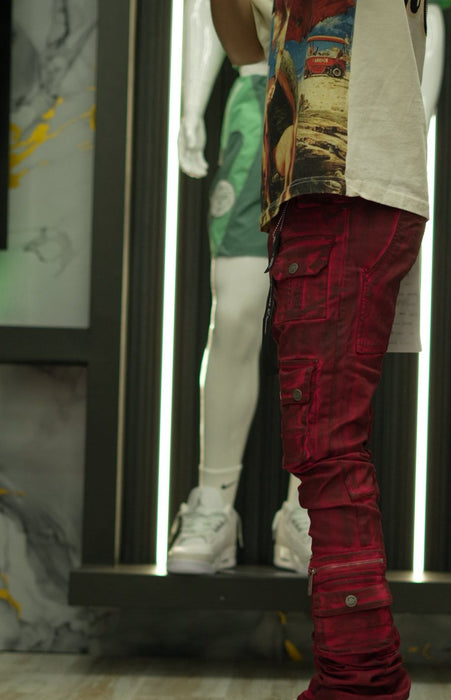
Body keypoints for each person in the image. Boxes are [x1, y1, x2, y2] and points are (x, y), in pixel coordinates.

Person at [209, 1, 448, 700]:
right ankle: (339, 691)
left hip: (348, 181)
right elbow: (245, 47)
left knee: (328, 451)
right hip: (319, 183)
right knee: (321, 451)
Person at [167, 0, 312, 576]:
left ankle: (306, 507)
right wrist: (191, 106)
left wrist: (410, 118)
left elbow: (425, 18)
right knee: (233, 313)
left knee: (324, 316)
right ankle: (213, 503)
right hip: (258, 97)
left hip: (348, 104)